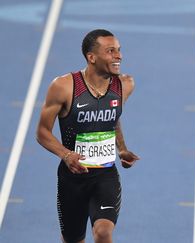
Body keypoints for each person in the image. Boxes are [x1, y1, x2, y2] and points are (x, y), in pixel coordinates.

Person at [36, 29, 140, 243]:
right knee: (73, 239)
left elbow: (112, 118)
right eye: (111, 51)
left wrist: (121, 148)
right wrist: (66, 155)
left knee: (103, 232)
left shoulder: (125, 85)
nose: (119, 56)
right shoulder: (63, 87)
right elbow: (42, 132)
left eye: (119, 50)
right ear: (91, 57)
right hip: (72, 180)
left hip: (105, 176)